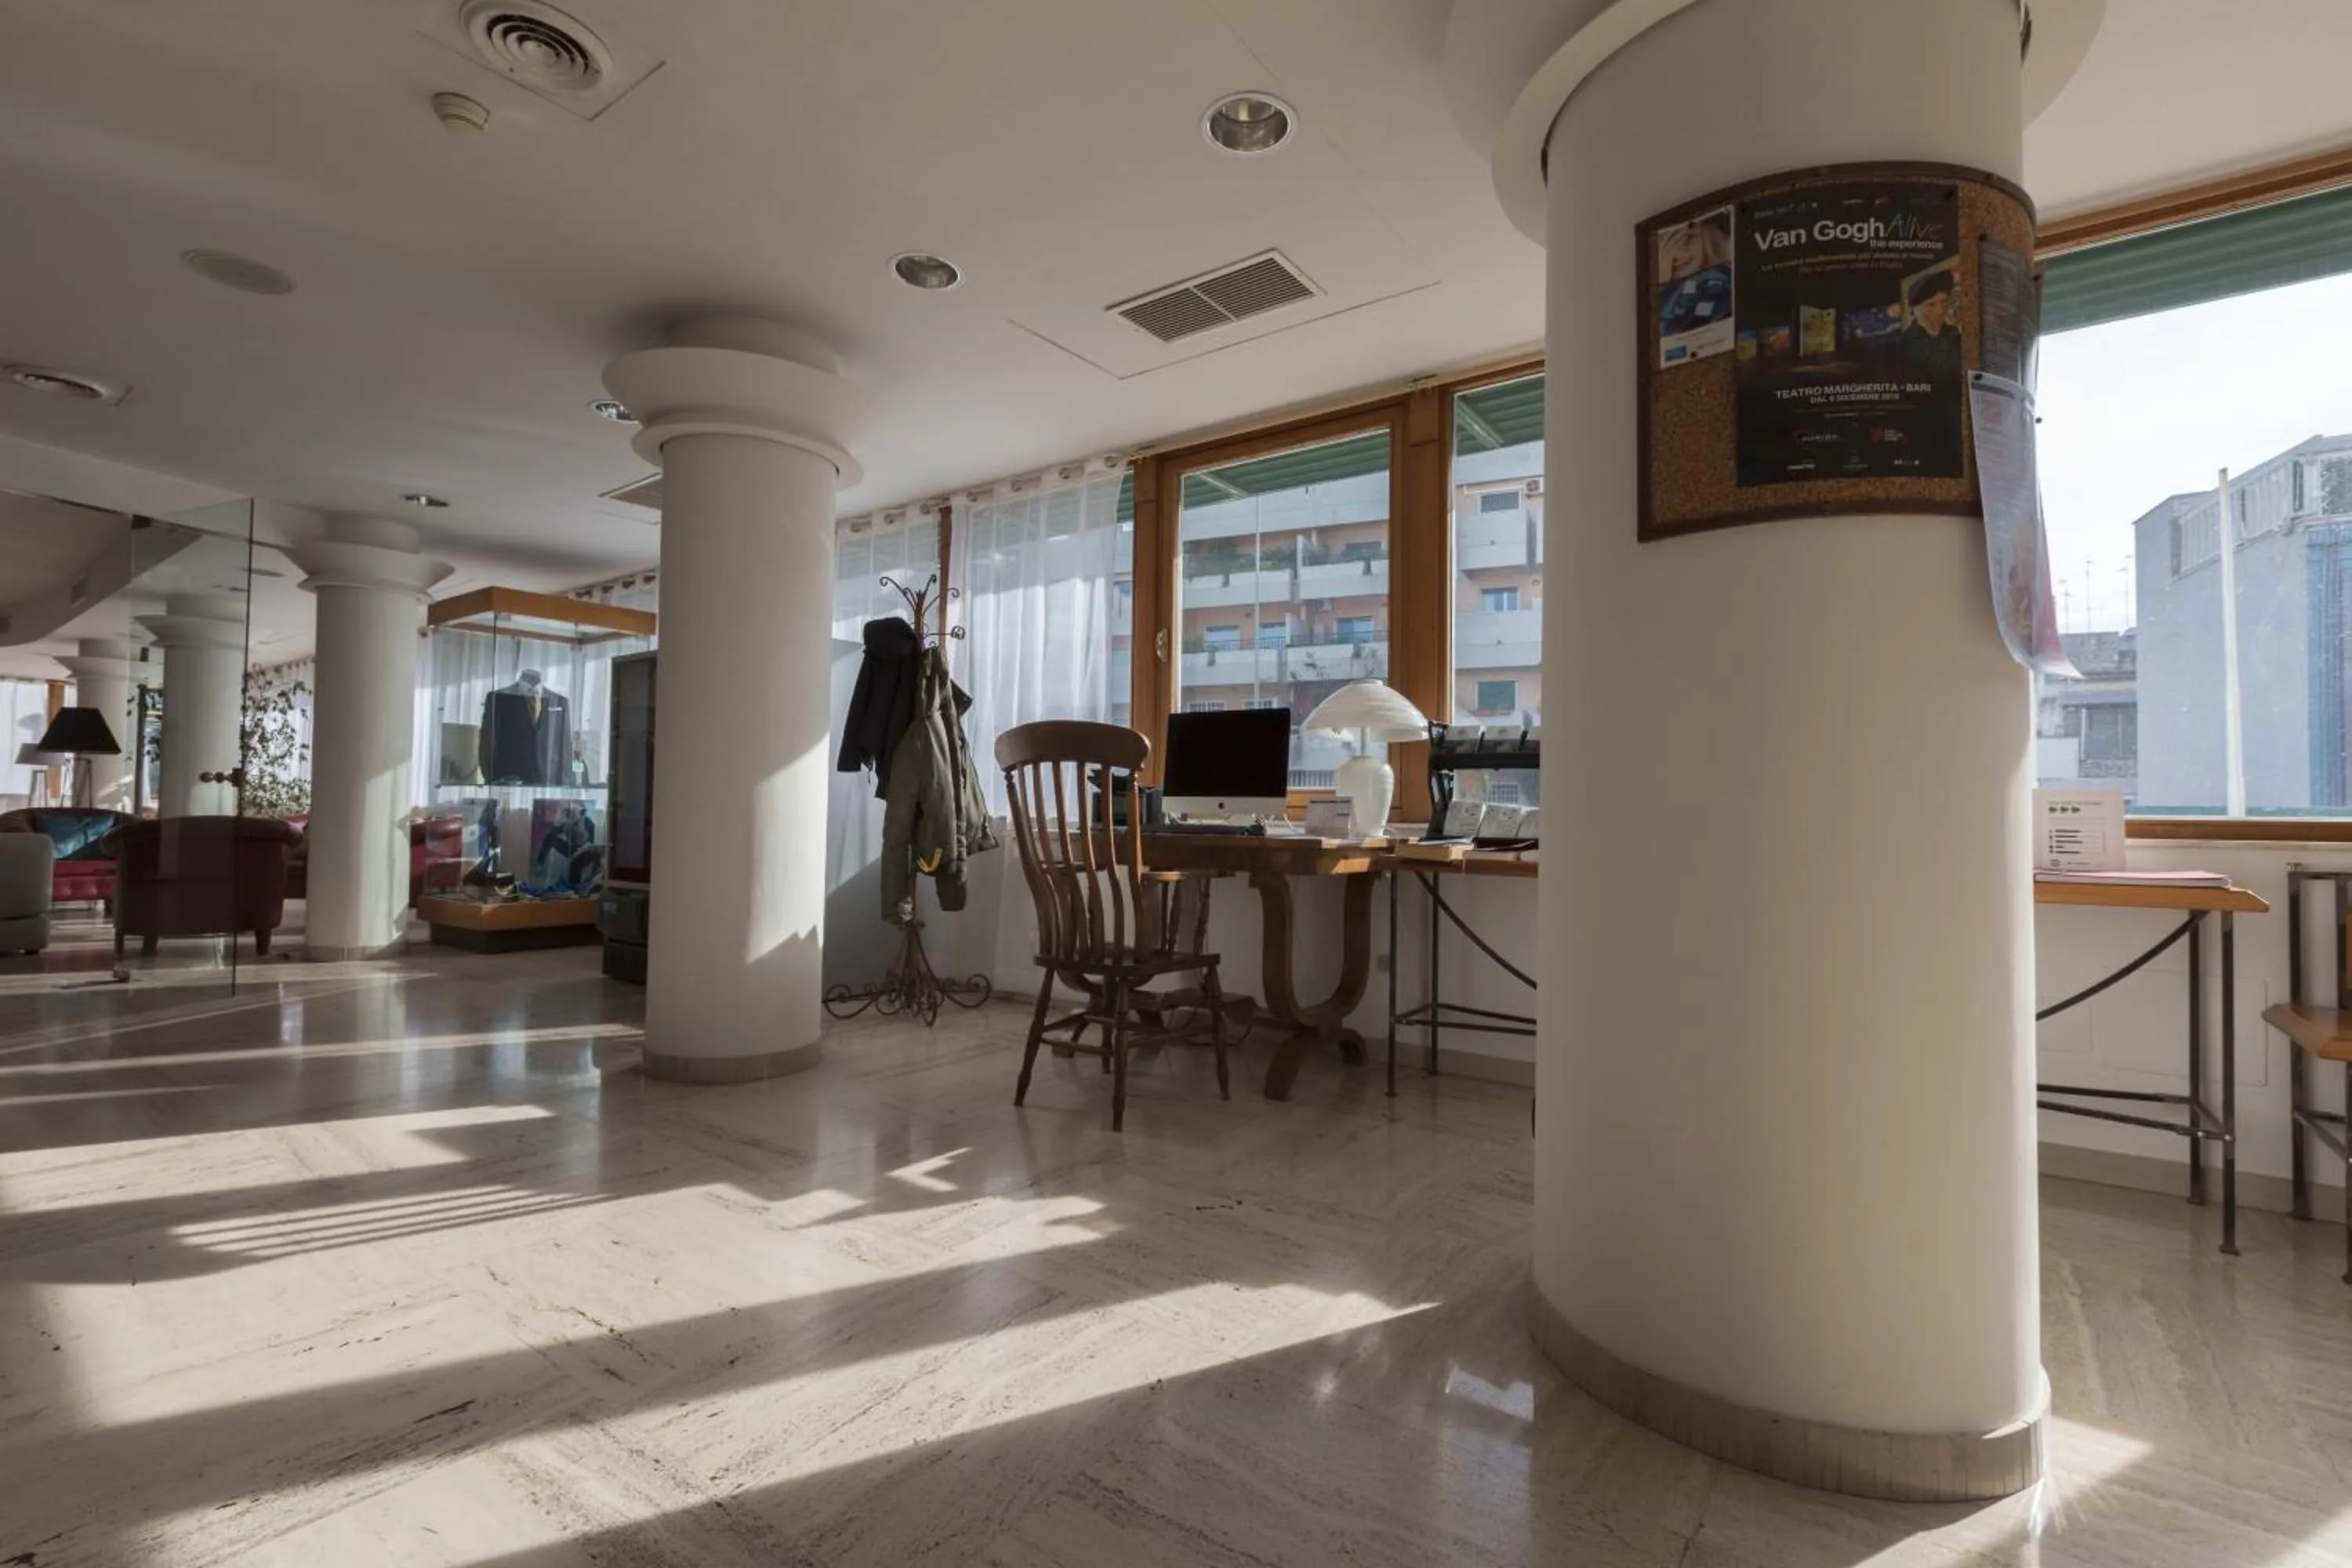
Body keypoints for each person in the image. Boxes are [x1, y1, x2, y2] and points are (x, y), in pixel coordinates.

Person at [1899, 267, 1963, 379]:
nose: (1940, 310)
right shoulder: (1907, 342)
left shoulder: (1955, 332)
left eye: (1944, 301)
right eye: (1931, 305)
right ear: (1914, 309)